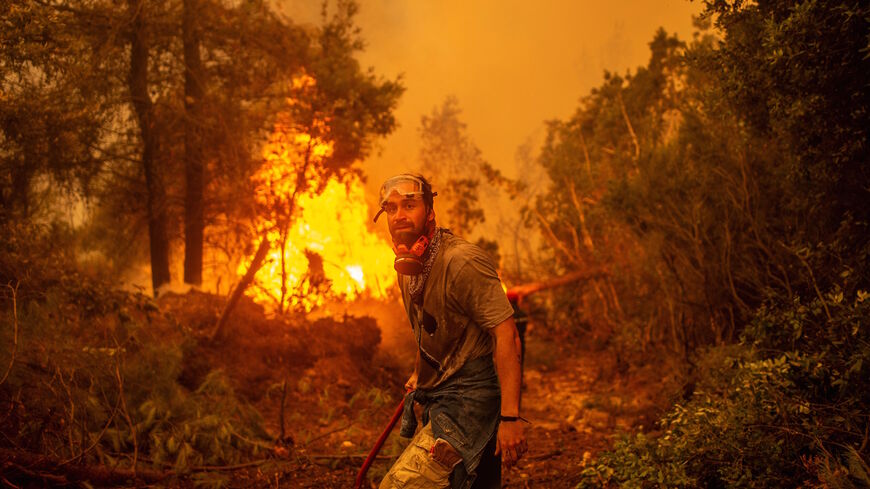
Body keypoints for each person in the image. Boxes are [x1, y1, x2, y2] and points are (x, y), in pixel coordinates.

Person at [373, 174, 527, 489]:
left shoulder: (462, 262)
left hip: (470, 404)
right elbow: (430, 328)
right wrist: (420, 373)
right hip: (441, 397)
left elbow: (507, 335)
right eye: (391, 208)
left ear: (430, 211)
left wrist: (510, 419)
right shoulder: (408, 268)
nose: (399, 215)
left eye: (409, 205)